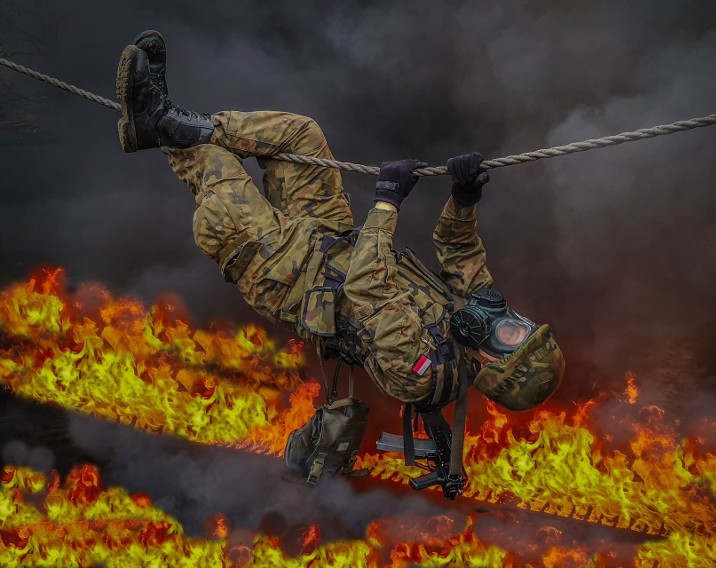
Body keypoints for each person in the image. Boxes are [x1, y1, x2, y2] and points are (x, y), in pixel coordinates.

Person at [117, 32, 565, 490]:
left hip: (287, 274)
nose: (510, 322)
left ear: (493, 366)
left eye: (513, 337)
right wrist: (465, 197)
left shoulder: (422, 372)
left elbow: (367, 285)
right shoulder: (474, 318)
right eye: (523, 326)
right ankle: (173, 123)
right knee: (301, 136)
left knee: (223, 184)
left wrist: (388, 201)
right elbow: (459, 250)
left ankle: (158, 122)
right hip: (332, 241)